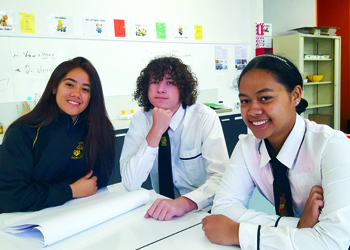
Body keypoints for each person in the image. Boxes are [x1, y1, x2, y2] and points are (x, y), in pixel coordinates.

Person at [202, 55, 350, 249]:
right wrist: (295, 225)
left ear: (295, 95)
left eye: (265, 98)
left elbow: (333, 241)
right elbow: (224, 208)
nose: (253, 110)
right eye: (245, 101)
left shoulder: (331, 146)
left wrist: (237, 233)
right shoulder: (247, 146)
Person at [0, 57, 116, 213]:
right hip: (27, 222)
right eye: (69, 85)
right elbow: (10, 196)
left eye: (85, 89)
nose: (76, 94)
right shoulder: (24, 132)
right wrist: (71, 190)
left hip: (79, 214)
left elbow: (98, 182)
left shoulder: (100, 130)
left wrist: (68, 192)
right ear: (54, 87)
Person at [120, 56, 229, 221]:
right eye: (155, 82)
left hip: (203, 210)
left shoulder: (204, 118)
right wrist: (156, 130)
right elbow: (130, 183)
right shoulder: (141, 120)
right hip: (162, 213)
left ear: (182, 88)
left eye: (170, 82)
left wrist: (183, 203)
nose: (161, 89)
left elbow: (222, 178)